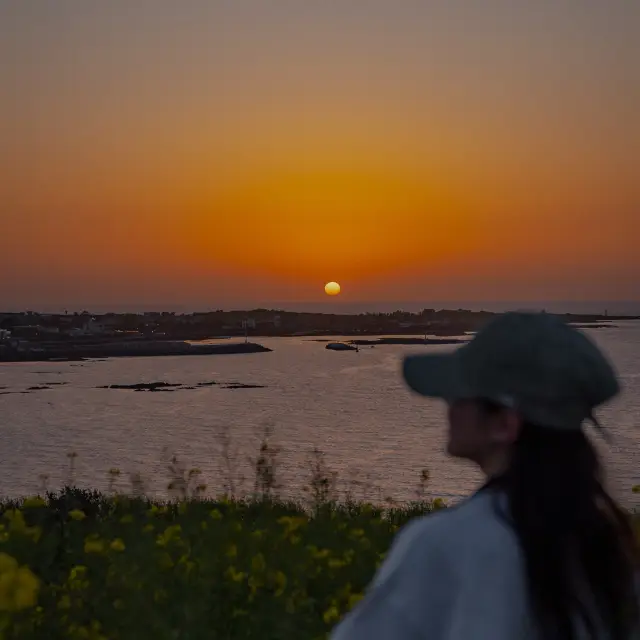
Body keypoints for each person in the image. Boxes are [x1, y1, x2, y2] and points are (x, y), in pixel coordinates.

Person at [331, 311, 639, 640]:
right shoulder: (611, 551)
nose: (447, 406)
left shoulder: (445, 543)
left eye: (459, 395)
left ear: (504, 425)